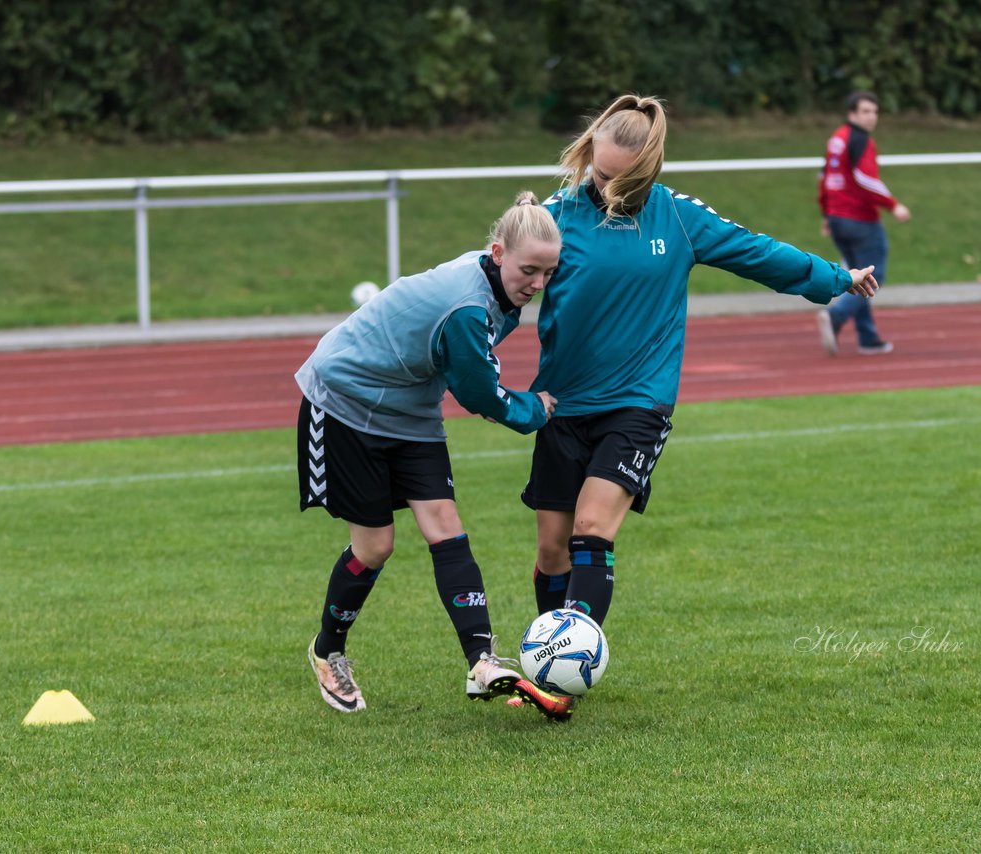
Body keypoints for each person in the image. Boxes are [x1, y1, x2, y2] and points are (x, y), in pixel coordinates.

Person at [523, 94, 880, 679]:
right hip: (562, 403)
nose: (602, 185)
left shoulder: (677, 217)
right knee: (550, 550)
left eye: (616, 178)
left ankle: (564, 677)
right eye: (597, 169)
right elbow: (503, 279)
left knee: (592, 530)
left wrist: (836, 277)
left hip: (639, 403)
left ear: (647, 170)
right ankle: (547, 665)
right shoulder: (557, 216)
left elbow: (758, 253)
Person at [296, 191, 573, 720]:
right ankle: (328, 649)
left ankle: (482, 660)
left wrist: (534, 207)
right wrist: (535, 410)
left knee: (445, 524)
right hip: (345, 402)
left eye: (547, 272)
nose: (537, 284)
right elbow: (480, 396)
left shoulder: (501, 268)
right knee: (375, 547)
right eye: (528, 271)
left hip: (410, 410)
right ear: (496, 254)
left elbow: (533, 235)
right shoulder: (466, 309)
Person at [815, 89, 911, 356]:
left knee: (860, 278)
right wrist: (893, 204)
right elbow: (865, 179)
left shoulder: (837, 139)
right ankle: (836, 315)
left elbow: (826, 177)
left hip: (838, 218)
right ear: (852, 113)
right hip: (859, 219)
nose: (872, 117)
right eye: (866, 111)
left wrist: (826, 213)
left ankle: (868, 337)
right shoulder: (860, 140)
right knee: (874, 274)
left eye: (875, 112)